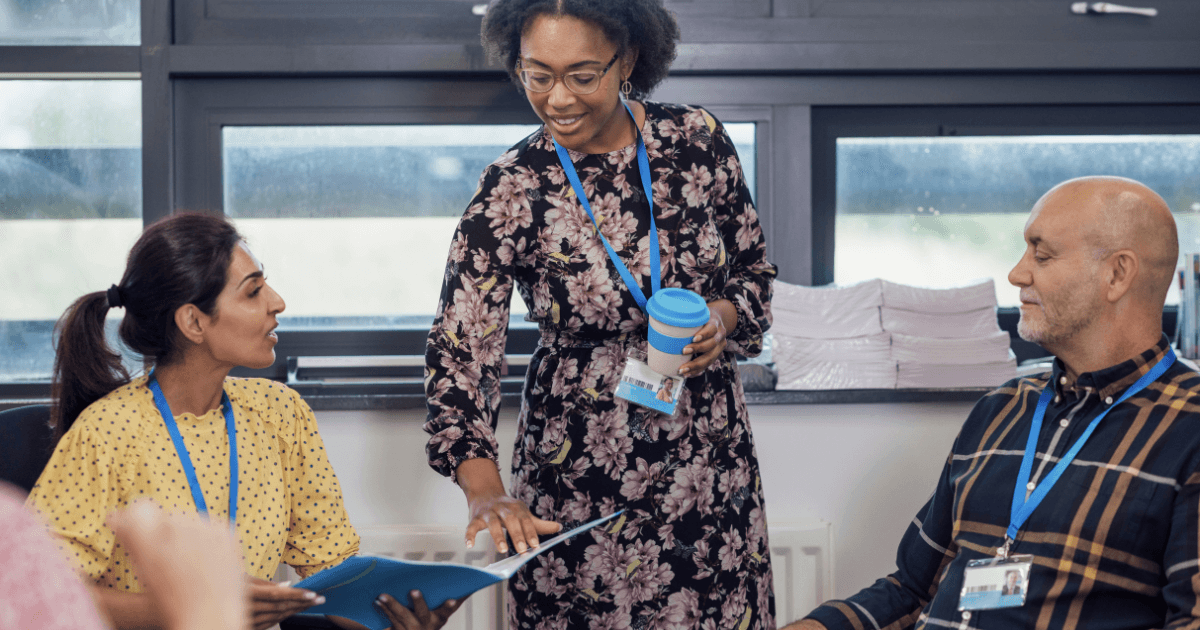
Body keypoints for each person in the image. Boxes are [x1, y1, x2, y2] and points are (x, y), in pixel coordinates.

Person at [423, 1, 778, 628]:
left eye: (582, 76)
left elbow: (753, 275)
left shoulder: (696, 140)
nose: (558, 98)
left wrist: (721, 319)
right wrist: (488, 491)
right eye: (537, 75)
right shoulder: (512, 186)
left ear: (629, 61)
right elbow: (462, 352)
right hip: (578, 469)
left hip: (706, 457)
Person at [784, 176, 1200, 629]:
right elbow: (911, 589)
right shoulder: (1001, 409)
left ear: (1117, 274)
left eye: (1042, 255)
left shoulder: (1188, 428)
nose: (1018, 273)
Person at [25, 213, 460, 630]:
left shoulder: (280, 413)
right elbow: (40, 594)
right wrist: (185, 609)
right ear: (193, 321)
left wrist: (392, 618)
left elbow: (334, 580)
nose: (277, 302)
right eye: (253, 292)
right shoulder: (107, 432)